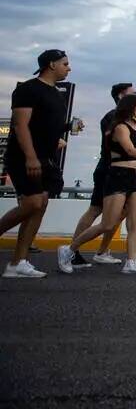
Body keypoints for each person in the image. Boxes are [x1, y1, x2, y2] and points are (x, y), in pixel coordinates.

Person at [58, 94, 136, 275]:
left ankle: (131, 262)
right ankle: (69, 249)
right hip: (118, 175)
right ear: (131, 108)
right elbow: (130, 150)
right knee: (108, 224)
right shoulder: (119, 127)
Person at [0, 50, 71, 278]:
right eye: (65, 64)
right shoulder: (28, 89)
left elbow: (46, 125)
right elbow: (20, 126)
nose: (68, 68)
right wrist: (30, 156)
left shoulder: (56, 93)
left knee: (40, 205)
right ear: (51, 65)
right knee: (32, 203)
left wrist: (57, 138)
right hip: (24, 156)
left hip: (46, 157)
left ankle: (18, 262)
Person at [67, 82, 134, 269]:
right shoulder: (113, 117)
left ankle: (102, 251)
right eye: (133, 94)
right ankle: (72, 251)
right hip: (108, 169)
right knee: (96, 210)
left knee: (122, 211)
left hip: (121, 171)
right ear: (121, 96)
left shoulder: (124, 118)